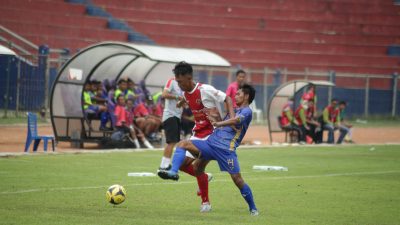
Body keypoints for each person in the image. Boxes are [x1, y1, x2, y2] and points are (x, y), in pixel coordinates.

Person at [159, 84, 259, 216]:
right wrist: (214, 117)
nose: (236, 96)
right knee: (184, 146)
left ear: (246, 96)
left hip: (226, 150)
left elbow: (236, 120)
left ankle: (253, 208)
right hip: (210, 144)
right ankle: (173, 172)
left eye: (239, 94)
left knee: (237, 179)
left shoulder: (247, 111)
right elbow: (226, 119)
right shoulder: (232, 110)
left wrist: (219, 123)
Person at [158, 61, 235, 213]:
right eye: (177, 82)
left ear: (189, 77)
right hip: (198, 134)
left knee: (193, 160)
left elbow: (228, 99)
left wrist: (231, 120)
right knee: (183, 164)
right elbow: (187, 98)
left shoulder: (205, 89)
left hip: (212, 134)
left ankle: (204, 201)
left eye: (180, 81)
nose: (178, 85)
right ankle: (199, 179)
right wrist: (181, 101)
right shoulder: (186, 93)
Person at [158, 77, 184, 171]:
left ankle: (165, 164)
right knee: (171, 142)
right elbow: (164, 94)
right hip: (170, 115)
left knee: (173, 142)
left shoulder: (184, 85)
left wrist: (183, 102)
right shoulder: (172, 81)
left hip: (177, 116)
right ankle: (163, 166)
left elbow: (181, 103)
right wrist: (177, 97)